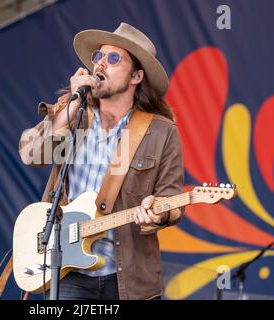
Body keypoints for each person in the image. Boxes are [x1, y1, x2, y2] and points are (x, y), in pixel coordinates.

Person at [19, 22, 184, 300]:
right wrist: (69, 106)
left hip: (130, 277)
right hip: (68, 271)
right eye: (99, 56)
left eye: (114, 58)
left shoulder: (161, 131)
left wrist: (159, 213)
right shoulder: (76, 116)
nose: (101, 64)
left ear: (136, 76)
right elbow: (31, 154)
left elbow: (172, 196)